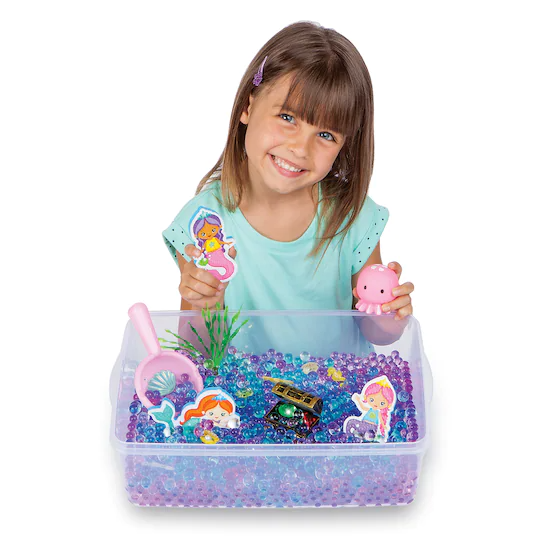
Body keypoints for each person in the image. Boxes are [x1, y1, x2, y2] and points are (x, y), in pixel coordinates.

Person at [162, 22, 414, 333]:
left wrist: (388, 317)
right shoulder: (205, 222)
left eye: (325, 134)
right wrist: (203, 304)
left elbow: (375, 333)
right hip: (243, 384)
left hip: (334, 381)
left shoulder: (352, 216)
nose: (300, 148)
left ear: (345, 144)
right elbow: (196, 353)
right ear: (247, 106)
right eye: (287, 117)